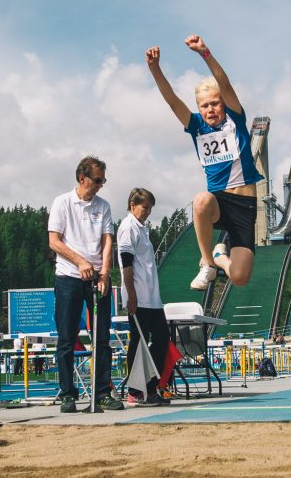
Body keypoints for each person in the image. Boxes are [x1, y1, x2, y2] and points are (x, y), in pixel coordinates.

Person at [146, 36, 262, 292]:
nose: (210, 109)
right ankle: (208, 263)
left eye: (215, 103)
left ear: (224, 104)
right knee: (200, 200)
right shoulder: (196, 126)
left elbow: (224, 82)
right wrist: (155, 70)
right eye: (204, 105)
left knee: (240, 277)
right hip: (218, 203)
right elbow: (172, 100)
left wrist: (205, 53)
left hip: (244, 205)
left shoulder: (235, 119)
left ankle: (220, 257)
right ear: (199, 108)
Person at [48, 155, 122, 413]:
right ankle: (68, 394)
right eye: (98, 180)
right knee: (67, 338)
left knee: (102, 338)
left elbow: (107, 242)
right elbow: (54, 242)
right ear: (82, 178)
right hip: (69, 276)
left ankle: (102, 392)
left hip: (98, 278)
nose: (101, 184)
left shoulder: (103, 206)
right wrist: (80, 262)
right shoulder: (62, 203)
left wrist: (104, 274)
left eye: (104, 180)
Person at [119, 188, 171, 406]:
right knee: (138, 343)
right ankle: (135, 391)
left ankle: (149, 388)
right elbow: (126, 264)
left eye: (150, 208)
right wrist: (131, 296)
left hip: (152, 298)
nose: (148, 212)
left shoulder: (143, 229)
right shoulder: (128, 227)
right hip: (138, 297)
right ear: (133, 205)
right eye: (145, 207)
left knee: (161, 339)